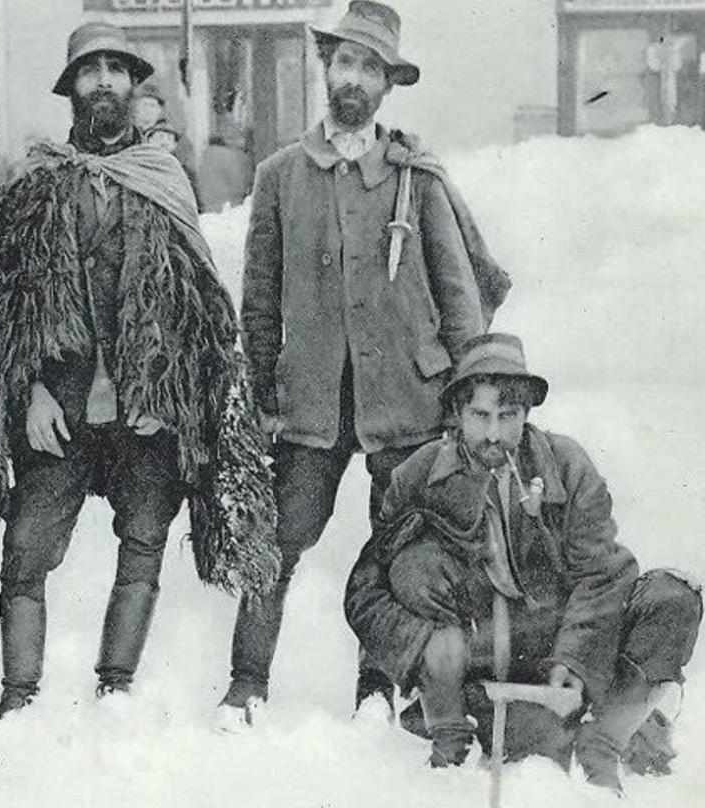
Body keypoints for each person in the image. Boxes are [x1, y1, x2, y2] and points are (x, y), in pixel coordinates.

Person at [0, 22, 276, 721]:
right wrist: (29, 393)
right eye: (89, 69)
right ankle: (18, 695)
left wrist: (169, 392)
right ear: (71, 87)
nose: (103, 80)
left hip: (144, 413)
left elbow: (197, 310)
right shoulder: (36, 184)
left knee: (144, 543)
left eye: (115, 69)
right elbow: (0, 308)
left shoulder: (163, 181)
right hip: (58, 407)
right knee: (25, 552)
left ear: (133, 85)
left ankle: (116, 689)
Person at [216, 0, 508, 730]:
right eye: (345, 61)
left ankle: (376, 688)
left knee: (395, 545)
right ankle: (246, 685)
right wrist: (262, 394)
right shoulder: (280, 176)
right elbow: (258, 303)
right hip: (310, 402)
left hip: (407, 400)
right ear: (327, 69)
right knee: (278, 540)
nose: (354, 78)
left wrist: (467, 400)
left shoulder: (417, 178)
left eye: (370, 68)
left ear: (386, 85)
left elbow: (459, 299)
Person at [345, 333, 703, 793]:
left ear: (527, 413)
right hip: (482, 661)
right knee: (416, 568)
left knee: (673, 596)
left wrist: (573, 660)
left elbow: (603, 573)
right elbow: (366, 587)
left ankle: (604, 743)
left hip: (569, 642)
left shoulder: (566, 465)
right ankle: (462, 726)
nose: (494, 434)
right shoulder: (418, 475)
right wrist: (423, 647)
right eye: (480, 416)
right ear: (458, 414)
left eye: (508, 416)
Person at [197, 90, 253, 213]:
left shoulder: (210, 153)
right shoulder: (231, 155)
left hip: (213, 210)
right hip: (229, 211)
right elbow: (241, 187)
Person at [145, 117, 199, 202]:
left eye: (169, 139)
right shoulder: (140, 165)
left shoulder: (184, 172)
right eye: (160, 137)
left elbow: (194, 202)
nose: (164, 142)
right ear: (149, 140)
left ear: (174, 145)